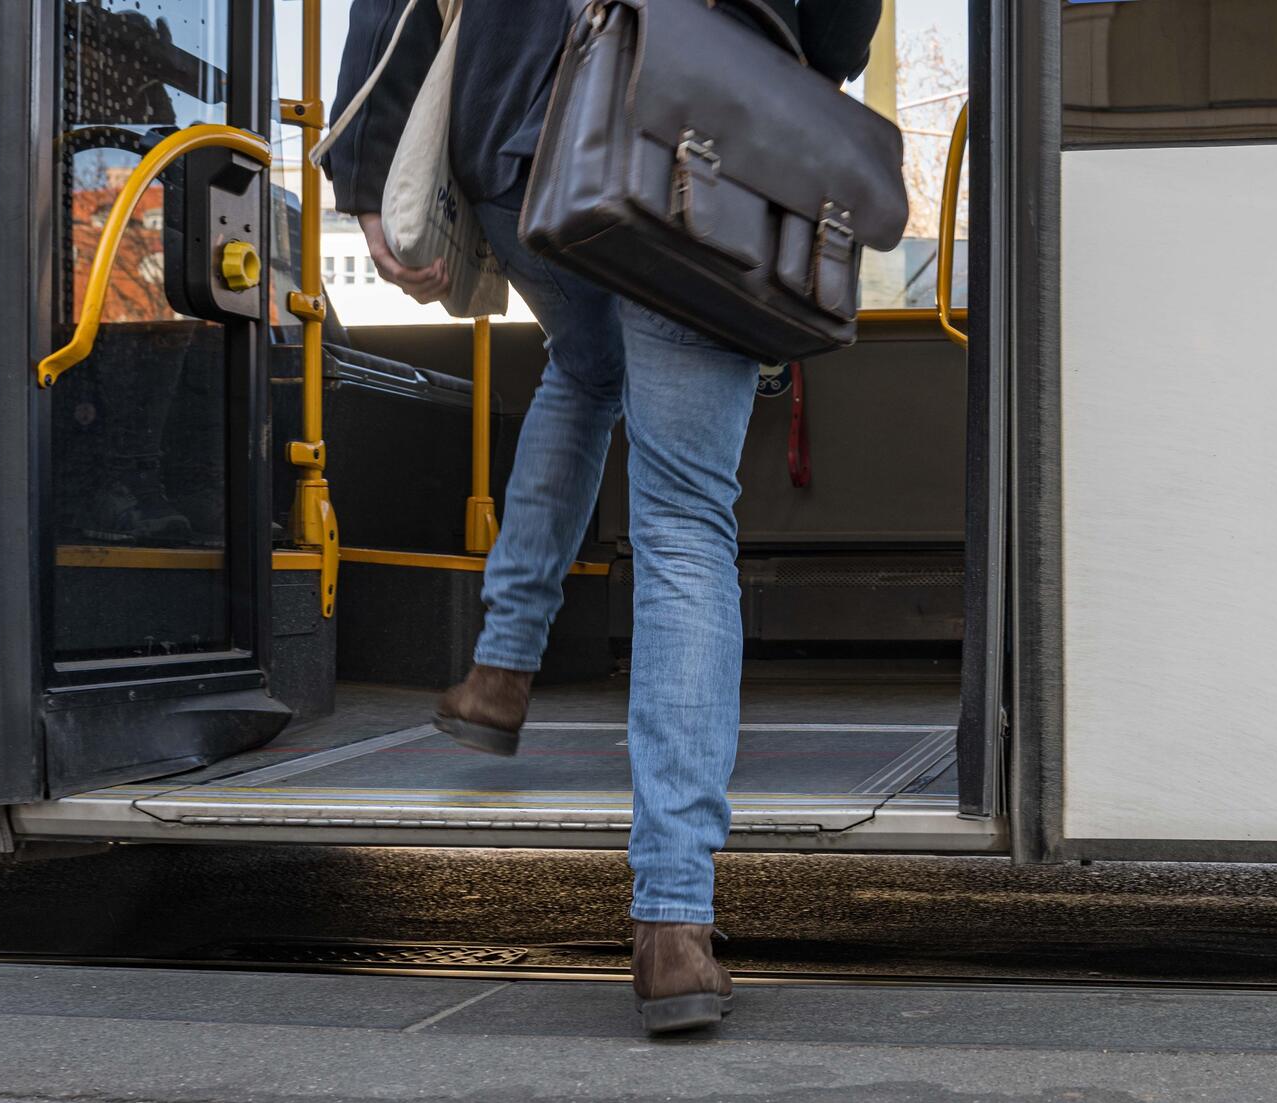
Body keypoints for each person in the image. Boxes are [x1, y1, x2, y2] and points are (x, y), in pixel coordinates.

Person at [327, 0, 883, 1033]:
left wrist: (366, 174)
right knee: (684, 522)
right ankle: (672, 923)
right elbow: (841, 17)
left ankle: (499, 672)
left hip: (518, 132)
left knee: (584, 366)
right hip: (695, 128)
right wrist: (815, 69)